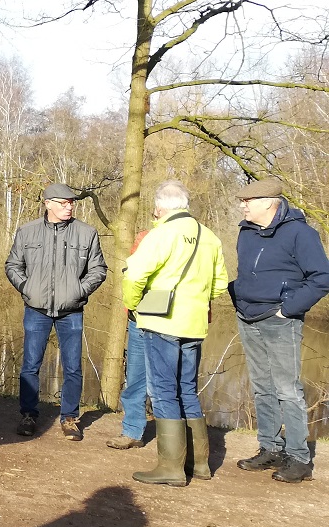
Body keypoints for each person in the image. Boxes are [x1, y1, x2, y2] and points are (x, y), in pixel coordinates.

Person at [122, 181, 228, 487]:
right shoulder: (209, 237)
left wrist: (134, 304)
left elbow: (135, 274)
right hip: (194, 323)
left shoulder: (161, 234)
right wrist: (194, 300)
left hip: (161, 321)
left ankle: (171, 467)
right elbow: (220, 284)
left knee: (165, 391)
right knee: (186, 390)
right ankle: (200, 464)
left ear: (160, 207)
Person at [230, 178, 329, 482]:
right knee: (263, 387)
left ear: (268, 202)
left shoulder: (301, 233)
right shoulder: (246, 232)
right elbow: (244, 273)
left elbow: (322, 278)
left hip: (280, 320)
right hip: (248, 317)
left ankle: (299, 458)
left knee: (288, 390)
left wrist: (288, 308)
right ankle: (270, 448)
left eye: (248, 200)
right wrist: (237, 297)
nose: (243, 204)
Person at [4, 181, 107, 440]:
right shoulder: (27, 232)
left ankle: (70, 418)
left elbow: (98, 269)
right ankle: (28, 415)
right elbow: (13, 265)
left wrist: (79, 291)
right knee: (30, 365)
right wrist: (28, 288)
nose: (69, 207)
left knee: (73, 367)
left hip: (71, 310)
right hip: (36, 308)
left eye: (71, 202)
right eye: (63, 202)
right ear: (47, 203)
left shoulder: (87, 233)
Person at [107, 228, 152, 451]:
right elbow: (131, 273)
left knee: (176, 383)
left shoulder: (198, 238)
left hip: (178, 322)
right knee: (135, 378)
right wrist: (133, 307)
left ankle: (178, 440)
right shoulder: (145, 237)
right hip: (141, 318)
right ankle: (133, 431)